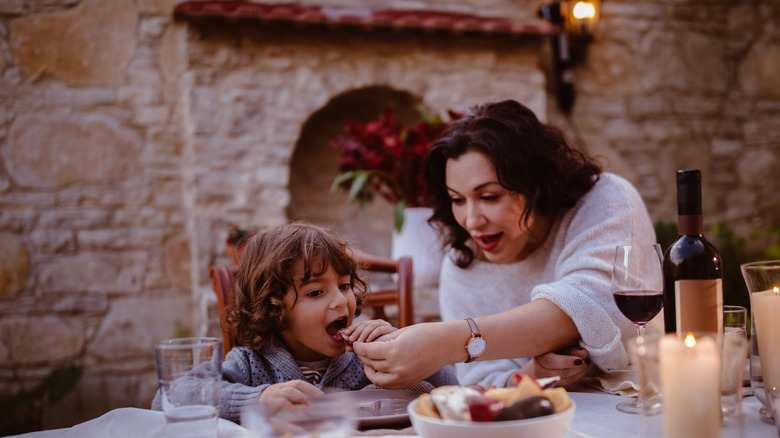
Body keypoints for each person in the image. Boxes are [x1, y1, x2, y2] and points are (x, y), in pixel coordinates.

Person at [352, 99, 658, 391]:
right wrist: (526, 377)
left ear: (537, 185)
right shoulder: (462, 266)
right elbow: (477, 381)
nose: (471, 221)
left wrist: (445, 343)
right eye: (457, 200)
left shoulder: (606, 200)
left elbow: (590, 303)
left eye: (489, 197)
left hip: (647, 402)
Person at [191, 222, 456, 422]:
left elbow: (452, 390)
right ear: (273, 307)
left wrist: (402, 351)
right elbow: (172, 398)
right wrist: (255, 399)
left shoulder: (368, 357)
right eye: (316, 292)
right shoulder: (250, 363)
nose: (341, 300)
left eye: (344, 285)